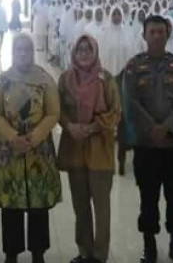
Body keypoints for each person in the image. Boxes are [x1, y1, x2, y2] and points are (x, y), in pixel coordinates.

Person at [122, 15, 173, 263]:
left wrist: (168, 128)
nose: (156, 36)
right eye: (152, 32)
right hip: (147, 145)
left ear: (167, 34)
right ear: (144, 35)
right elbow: (130, 101)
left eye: (160, 32)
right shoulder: (133, 66)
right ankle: (149, 245)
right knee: (148, 199)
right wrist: (152, 128)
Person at [0, 33, 61, 263]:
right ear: (12, 53)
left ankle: (38, 252)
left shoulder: (44, 79)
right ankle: (12, 252)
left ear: (32, 52)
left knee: (39, 203)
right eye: (18, 49)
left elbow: (53, 113)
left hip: (39, 151)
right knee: (11, 202)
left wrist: (35, 137)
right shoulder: (2, 80)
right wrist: (13, 137)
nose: (22, 53)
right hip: (9, 152)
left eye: (27, 49)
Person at [57, 34, 122, 263]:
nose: (84, 54)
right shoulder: (65, 79)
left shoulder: (106, 79)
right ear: (73, 52)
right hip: (75, 148)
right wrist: (69, 126)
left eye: (88, 49)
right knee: (81, 205)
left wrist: (93, 127)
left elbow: (116, 112)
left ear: (95, 52)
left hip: (100, 151)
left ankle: (100, 255)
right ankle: (84, 251)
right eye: (80, 50)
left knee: (101, 208)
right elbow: (57, 109)